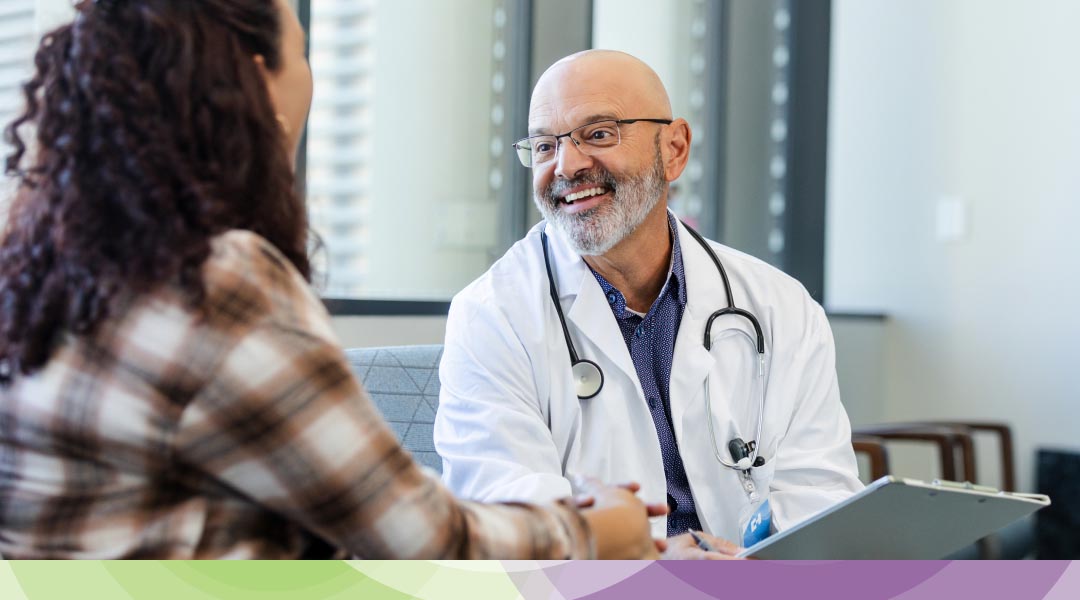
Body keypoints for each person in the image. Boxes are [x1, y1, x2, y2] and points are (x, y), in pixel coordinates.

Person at [0, 1, 660, 559]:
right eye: (303, 50)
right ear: (258, 84)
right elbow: (422, 538)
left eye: (599, 133)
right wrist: (600, 529)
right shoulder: (214, 283)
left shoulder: (54, 268)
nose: (568, 163)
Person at [433, 50, 864, 553]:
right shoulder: (492, 315)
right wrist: (653, 572)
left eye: (598, 134)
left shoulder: (781, 307)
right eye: (546, 145)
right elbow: (511, 520)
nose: (567, 165)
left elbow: (821, 494)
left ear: (674, 149)